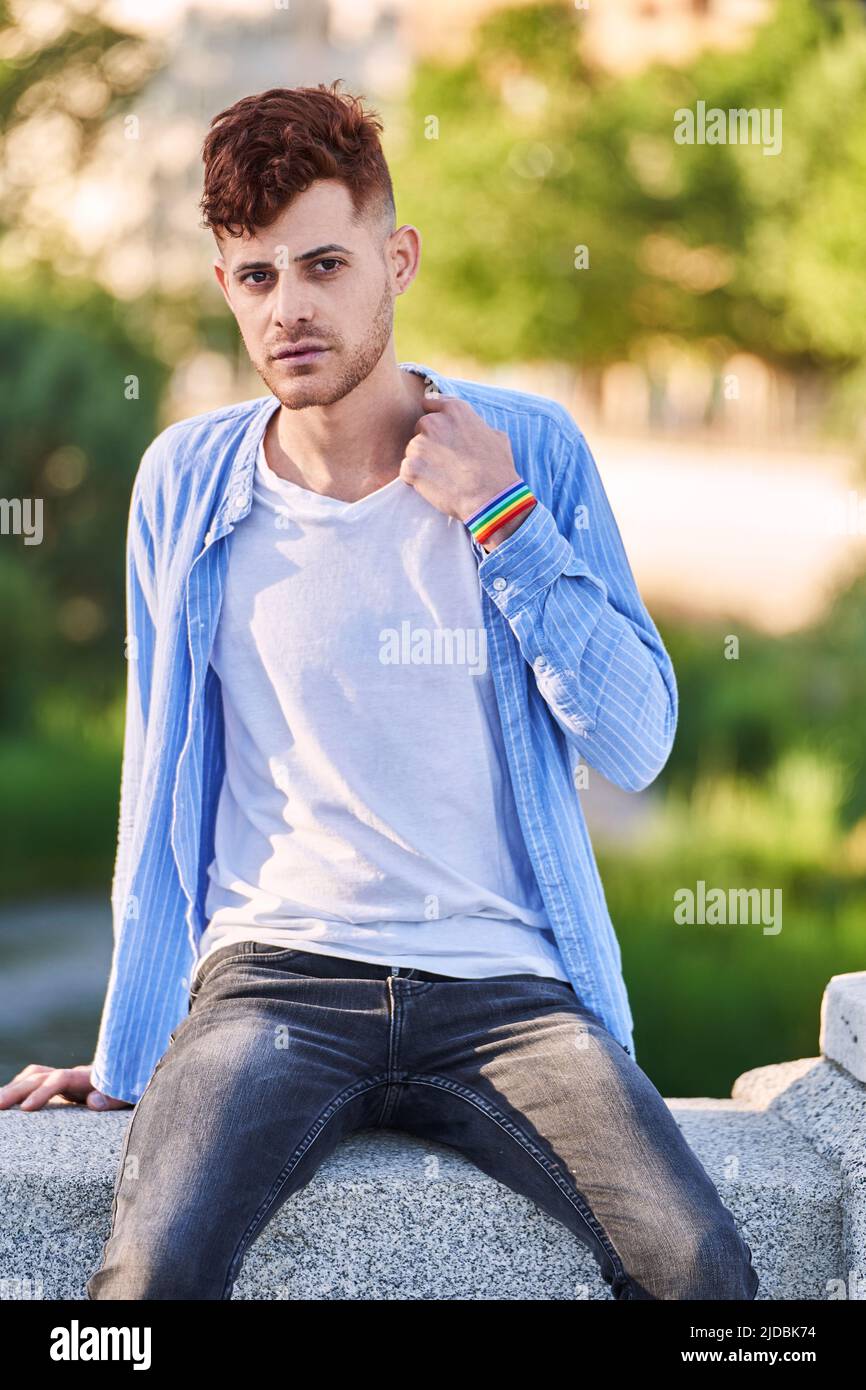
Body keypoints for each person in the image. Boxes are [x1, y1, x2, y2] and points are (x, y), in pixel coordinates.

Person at [1, 81, 758, 1301]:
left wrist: (503, 521)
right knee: (143, 1287)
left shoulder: (527, 449)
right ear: (225, 288)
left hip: (507, 992)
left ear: (394, 260)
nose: (289, 308)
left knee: (704, 1272)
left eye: (322, 264)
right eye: (255, 277)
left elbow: (638, 741)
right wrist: (130, 1051)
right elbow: (159, 787)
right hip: (271, 985)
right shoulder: (186, 483)